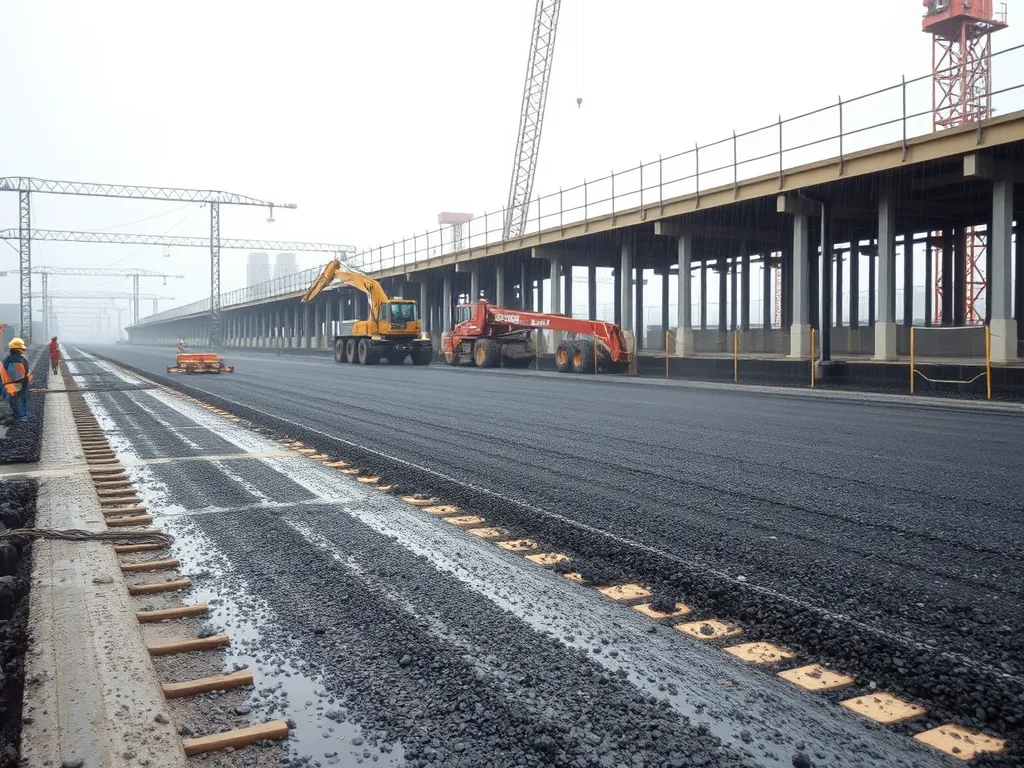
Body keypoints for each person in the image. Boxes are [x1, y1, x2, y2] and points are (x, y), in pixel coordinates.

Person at [3, 338, 32, 422]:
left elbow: (2, 371)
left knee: (12, 399)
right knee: (22, 398)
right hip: (22, 383)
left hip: (10, 384)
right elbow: (27, 372)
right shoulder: (23, 359)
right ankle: (23, 416)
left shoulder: (7, 360)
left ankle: (17, 413)